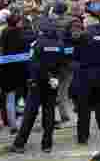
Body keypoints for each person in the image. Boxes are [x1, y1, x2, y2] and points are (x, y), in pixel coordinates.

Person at [8, 17, 66, 153]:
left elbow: (34, 65)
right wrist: (55, 77)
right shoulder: (60, 44)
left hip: (37, 83)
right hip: (53, 83)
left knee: (30, 114)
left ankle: (19, 144)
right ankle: (47, 145)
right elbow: (63, 64)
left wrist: (46, 77)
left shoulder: (37, 44)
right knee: (49, 113)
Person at [72, 1, 100, 144]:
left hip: (86, 75)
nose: (84, 18)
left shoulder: (84, 35)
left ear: (93, 17)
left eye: (87, 15)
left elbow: (76, 56)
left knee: (84, 109)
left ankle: (82, 137)